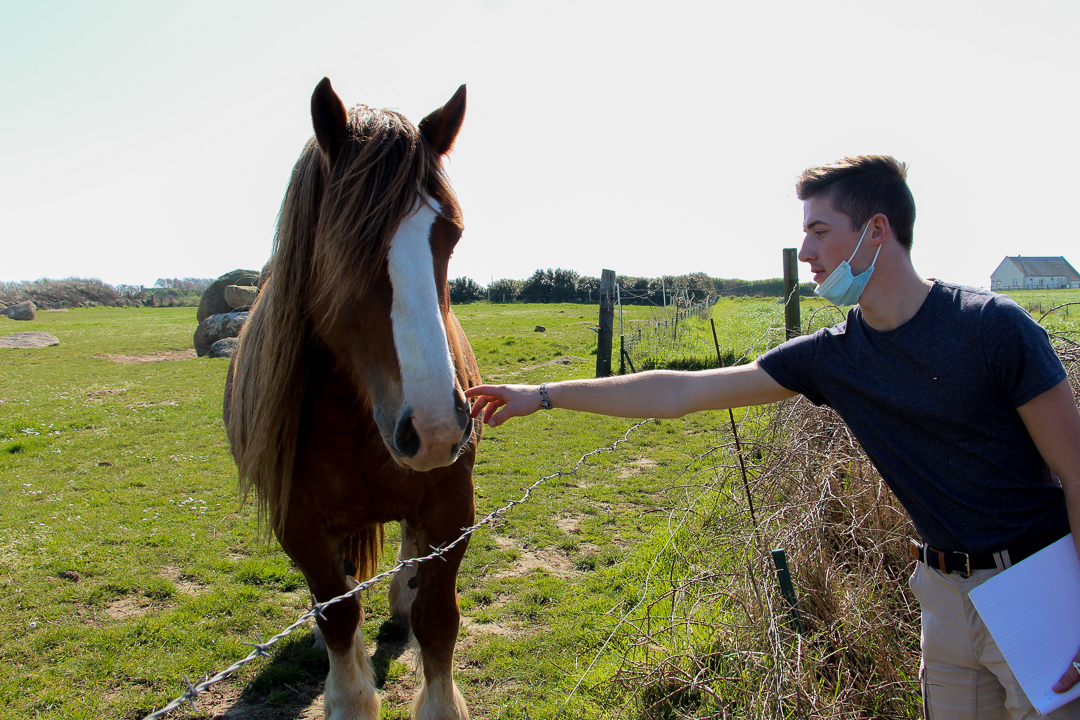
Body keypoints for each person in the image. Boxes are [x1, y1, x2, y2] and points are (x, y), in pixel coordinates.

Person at [465, 155, 1080, 720]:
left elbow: (1076, 471)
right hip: (942, 599)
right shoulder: (834, 358)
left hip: (1036, 590)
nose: (805, 250)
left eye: (819, 230)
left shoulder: (992, 328)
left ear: (875, 231)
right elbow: (680, 392)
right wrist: (542, 395)